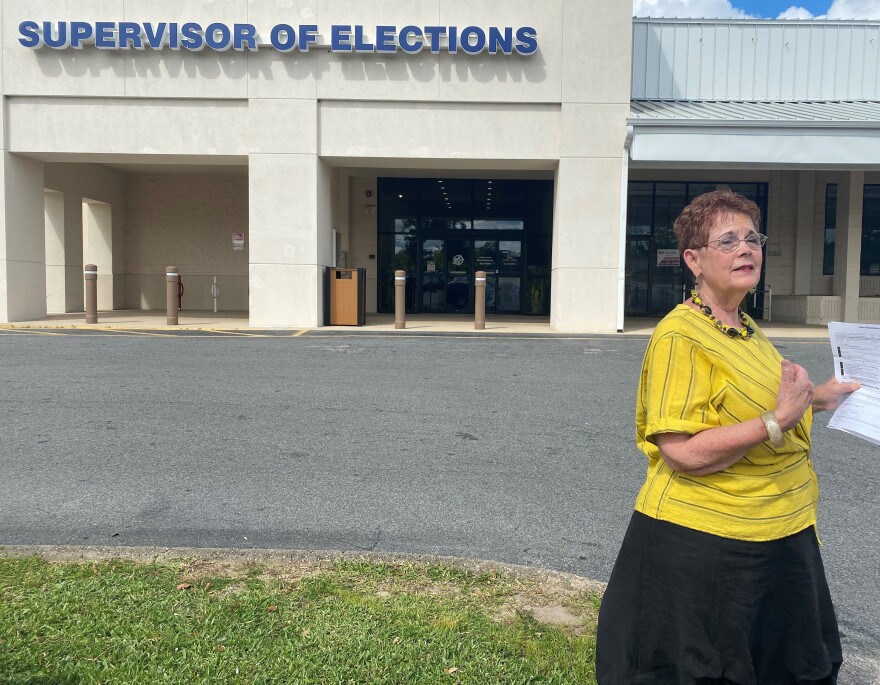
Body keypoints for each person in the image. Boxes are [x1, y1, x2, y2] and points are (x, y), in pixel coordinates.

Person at [596, 189, 861, 685]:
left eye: (753, 238)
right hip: (708, 547)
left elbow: (767, 404)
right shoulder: (680, 335)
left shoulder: (744, 327)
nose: (746, 249)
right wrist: (777, 421)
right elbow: (682, 452)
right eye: (728, 240)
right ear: (693, 260)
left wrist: (821, 397)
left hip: (780, 532)